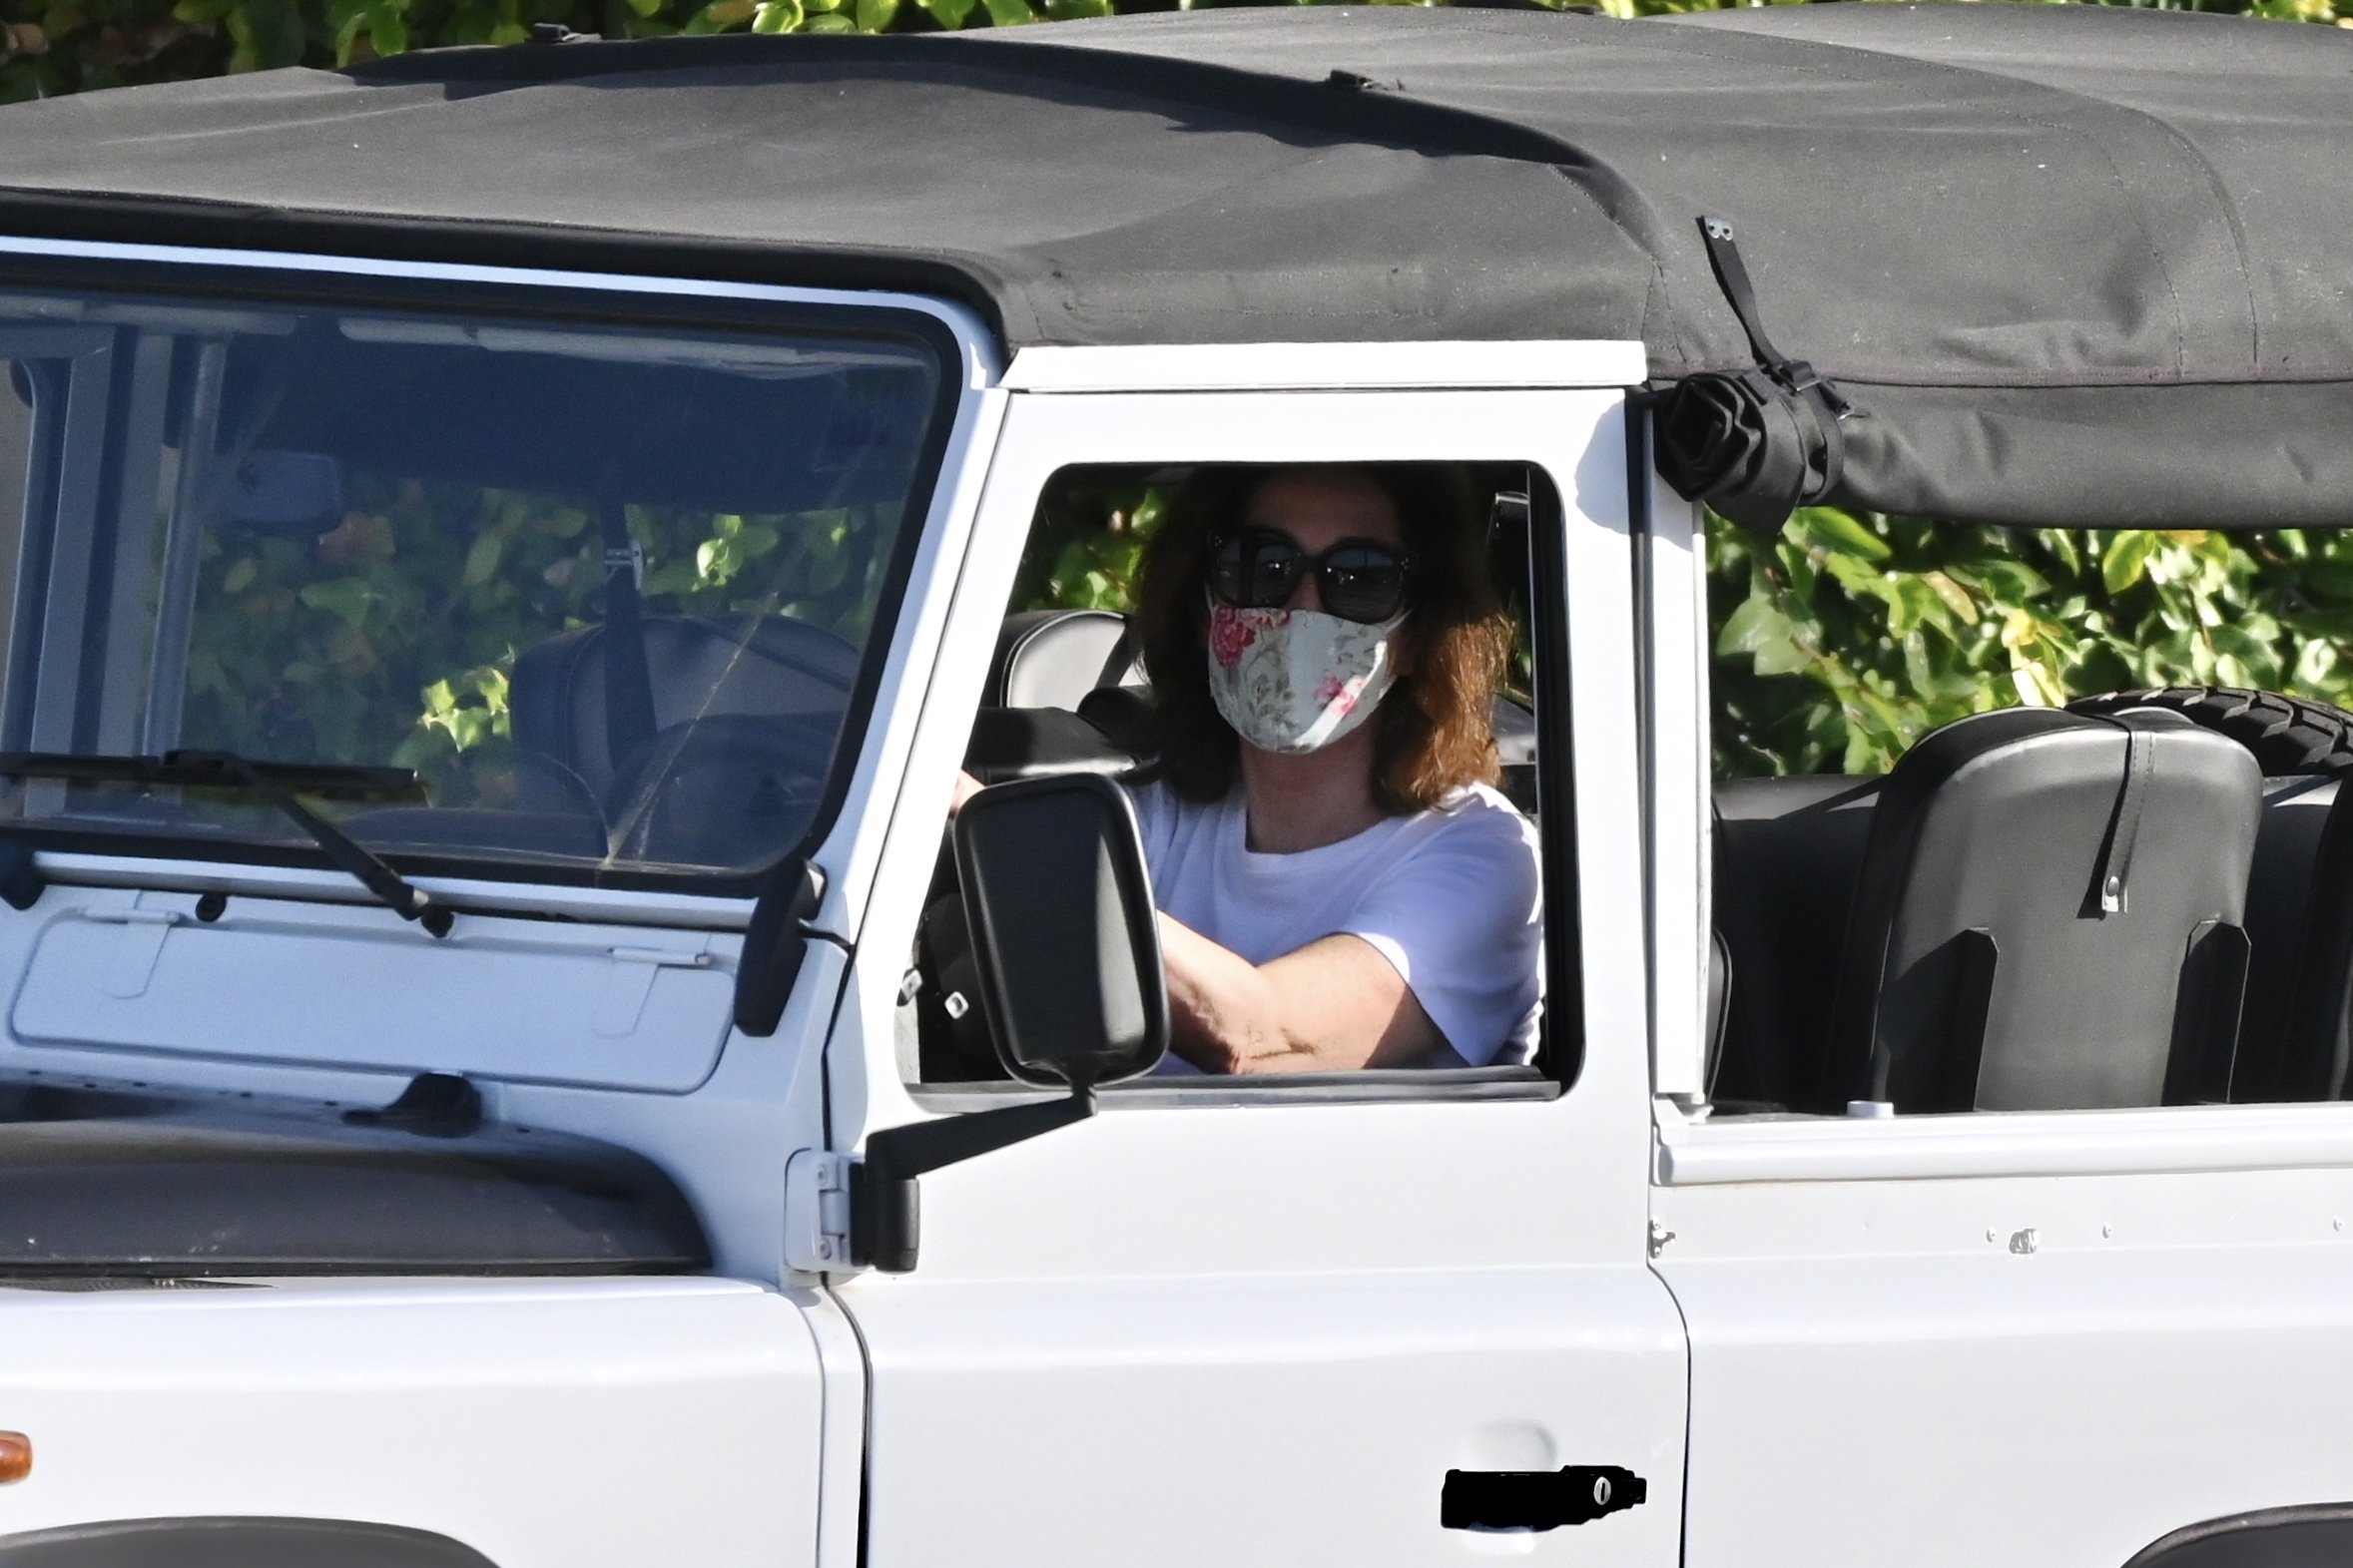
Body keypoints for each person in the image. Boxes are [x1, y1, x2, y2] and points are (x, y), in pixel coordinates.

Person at [1118, 463, 1542, 1074]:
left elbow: (1256, 1039)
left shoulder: (1480, 853)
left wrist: (1019, 849)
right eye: (1262, 566)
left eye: (1361, 579)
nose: (1302, 610)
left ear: (1418, 636)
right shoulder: (1156, 814)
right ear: (1204, 605)